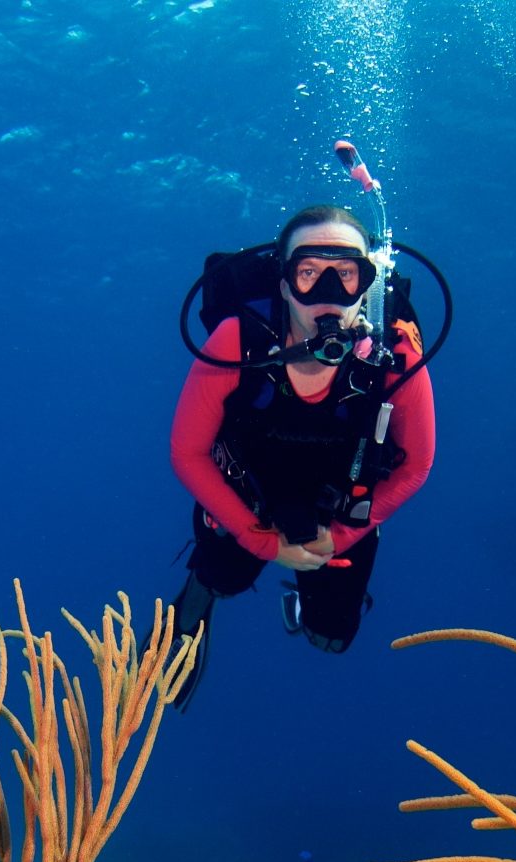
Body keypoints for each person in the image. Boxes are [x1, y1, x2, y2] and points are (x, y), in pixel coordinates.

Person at [166, 204, 437, 709]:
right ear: (285, 282)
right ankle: (199, 596)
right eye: (310, 273)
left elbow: (416, 465)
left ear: (367, 283)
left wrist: (344, 535)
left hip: (341, 509)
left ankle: (306, 599)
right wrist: (262, 541)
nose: (329, 294)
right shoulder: (239, 340)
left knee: (330, 636)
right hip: (246, 500)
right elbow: (187, 452)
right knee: (223, 578)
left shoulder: (394, 355)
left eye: (346, 273)